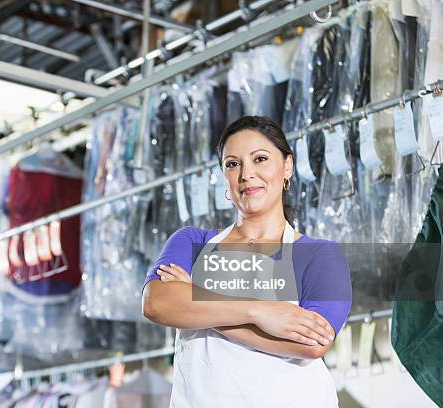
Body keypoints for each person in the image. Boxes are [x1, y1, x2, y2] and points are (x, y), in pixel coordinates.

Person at [142, 116, 352, 407]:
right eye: (233, 164)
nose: (246, 174)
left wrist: (197, 309)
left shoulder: (321, 255)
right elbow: (156, 303)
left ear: (287, 166)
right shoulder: (192, 241)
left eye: (260, 159)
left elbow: (312, 342)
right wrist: (258, 311)